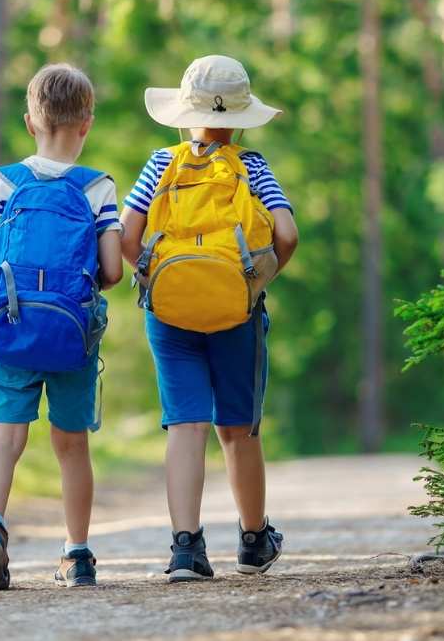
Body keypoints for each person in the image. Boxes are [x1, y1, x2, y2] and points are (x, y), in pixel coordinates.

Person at [119, 54, 300, 582]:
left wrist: (155, 280)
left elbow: (129, 236)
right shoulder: (253, 165)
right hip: (236, 311)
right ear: (241, 117)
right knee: (238, 427)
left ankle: (185, 548)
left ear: (184, 111)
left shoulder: (161, 163)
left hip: (170, 311)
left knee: (185, 423)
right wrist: (254, 282)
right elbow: (286, 235)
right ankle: (252, 539)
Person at [0, 63, 122, 590]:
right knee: (71, 445)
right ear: (86, 122)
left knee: (6, 436)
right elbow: (112, 270)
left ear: (30, 122)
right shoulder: (97, 188)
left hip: (10, 328)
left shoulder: (4, 181)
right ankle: (78, 554)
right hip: (72, 337)